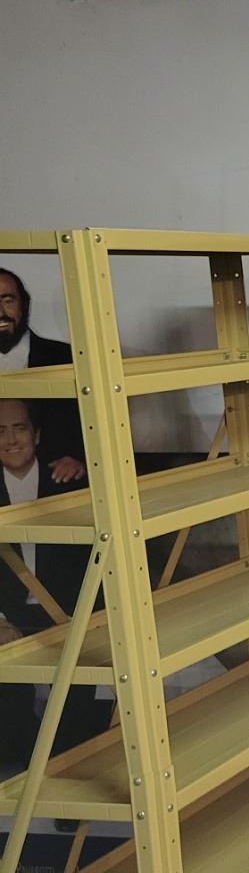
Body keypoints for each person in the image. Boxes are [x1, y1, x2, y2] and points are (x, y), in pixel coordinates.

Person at [0, 399, 105, 772]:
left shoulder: (69, 479)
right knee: (10, 706)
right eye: (0, 431)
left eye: (20, 428)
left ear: (37, 434)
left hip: (66, 612)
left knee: (78, 702)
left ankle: (71, 770)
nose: (11, 440)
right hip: (8, 614)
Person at [0, 268, 84, 484]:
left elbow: (100, 422)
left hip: (60, 488)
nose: (0, 311)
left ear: (24, 305)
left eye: (7, 300)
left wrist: (81, 459)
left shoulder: (68, 358)